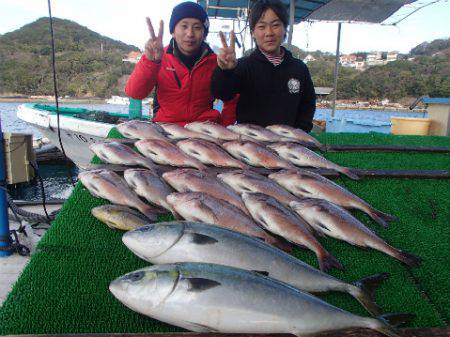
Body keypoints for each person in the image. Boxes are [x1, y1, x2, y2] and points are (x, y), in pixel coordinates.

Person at [125, 1, 236, 126]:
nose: (190, 34)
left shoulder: (217, 62)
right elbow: (134, 93)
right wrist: (150, 62)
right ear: (173, 31)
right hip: (166, 129)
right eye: (184, 26)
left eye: (197, 27)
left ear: (204, 34)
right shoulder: (158, 57)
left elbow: (231, 100)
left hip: (205, 130)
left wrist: (225, 130)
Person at [211, 0, 316, 131]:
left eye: (276, 25)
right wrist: (225, 71)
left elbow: (308, 104)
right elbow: (223, 94)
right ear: (253, 32)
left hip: (288, 144)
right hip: (252, 144)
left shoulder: (299, 68)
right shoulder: (243, 66)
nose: (269, 32)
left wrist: (300, 132)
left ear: (285, 29)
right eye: (262, 26)